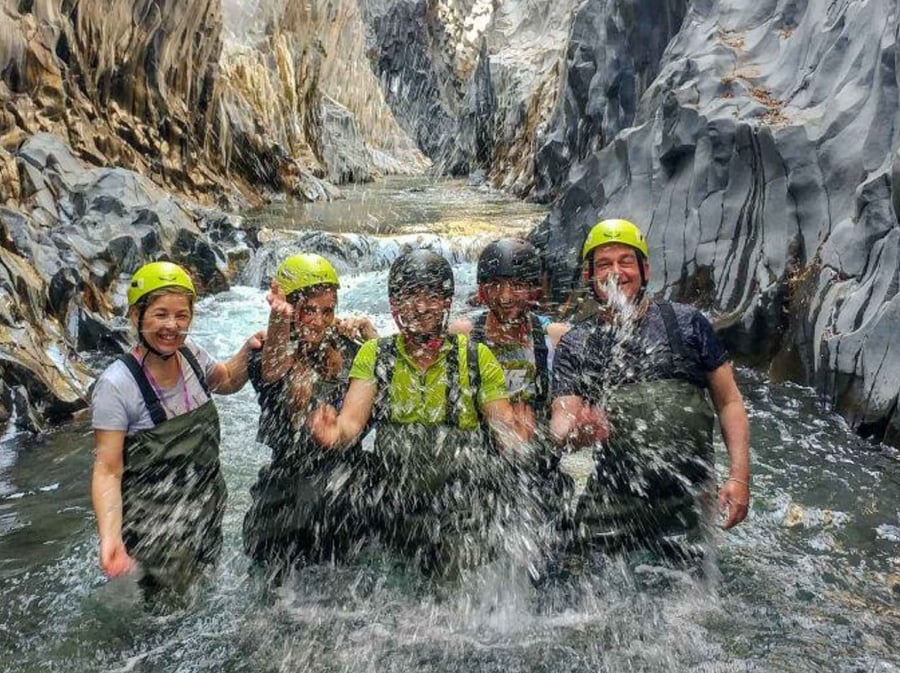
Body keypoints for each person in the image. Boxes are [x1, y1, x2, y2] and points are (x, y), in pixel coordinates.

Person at [310, 248, 529, 578]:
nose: (421, 307)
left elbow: (503, 429)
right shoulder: (375, 355)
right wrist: (335, 433)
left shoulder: (476, 358)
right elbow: (351, 424)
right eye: (410, 296)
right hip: (398, 506)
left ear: (445, 302)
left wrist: (516, 437)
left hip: (461, 510)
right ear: (395, 303)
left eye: (431, 296)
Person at [548, 219, 752, 571]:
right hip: (613, 500)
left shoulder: (688, 325)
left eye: (625, 261)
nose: (616, 272)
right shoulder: (576, 344)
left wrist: (739, 477)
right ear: (589, 277)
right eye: (603, 264)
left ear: (645, 269)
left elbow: (730, 402)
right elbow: (560, 426)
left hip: (686, 499)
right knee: (568, 577)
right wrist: (579, 432)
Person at [89, 261, 261, 593]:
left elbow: (224, 380)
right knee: (167, 615)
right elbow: (107, 470)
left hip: (205, 509)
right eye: (161, 314)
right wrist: (110, 537)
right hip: (156, 528)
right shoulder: (116, 384)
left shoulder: (192, 355)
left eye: (182, 316)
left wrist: (248, 349)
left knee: (202, 593)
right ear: (137, 316)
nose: (172, 326)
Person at [243, 253, 377, 572]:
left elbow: (387, 384)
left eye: (327, 311)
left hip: (345, 494)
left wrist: (373, 339)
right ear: (290, 309)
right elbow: (273, 371)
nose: (317, 320)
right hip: (287, 497)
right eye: (306, 311)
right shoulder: (266, 352)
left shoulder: (351, 351)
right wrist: (279, 321)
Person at [449, 237, 569, 431]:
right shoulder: (463, 335)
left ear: (534, 291)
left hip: (538, 451)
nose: (505, 297)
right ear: (482, 292)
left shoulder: (555, 338)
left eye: (518, 285)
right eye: (496, 285)